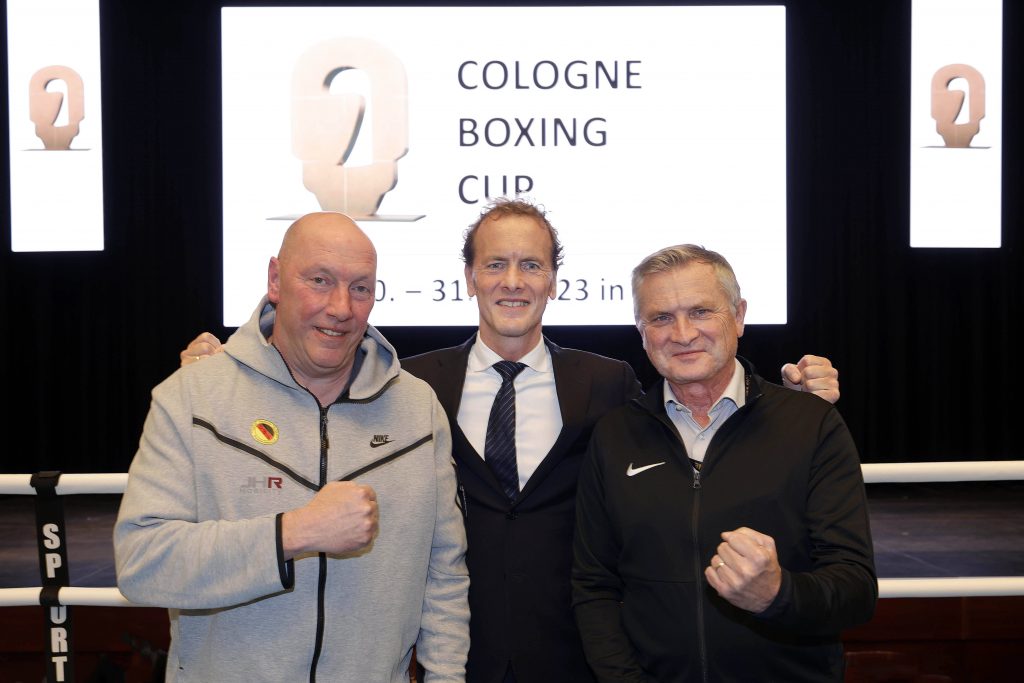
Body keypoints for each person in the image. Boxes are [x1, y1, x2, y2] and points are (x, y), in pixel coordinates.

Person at [179, 199, 841, 683]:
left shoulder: (609, 381)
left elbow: (695, 411)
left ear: (556, 278)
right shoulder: (411, 385)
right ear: (469, 274)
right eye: (495, 263)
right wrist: (229, 366)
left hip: (580, 658)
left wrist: (787, 391)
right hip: (454, 656)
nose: (513, 281)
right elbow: (311, 412)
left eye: (531, 264)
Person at [115, 212, 470, 682]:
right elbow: (142, 563)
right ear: (276, 280)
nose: (341, 307)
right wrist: (292, 533)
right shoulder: (193, 397)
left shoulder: (417, 408)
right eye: (320, 281)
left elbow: (444, 572)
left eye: (361, 288)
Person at [572, 244, 876, 682]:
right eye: (660, 318)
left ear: (738, 316)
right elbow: (593, 586)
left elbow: (856, 590)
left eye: (700, 311)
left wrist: (778, 593)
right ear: (640, 330)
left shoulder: (811, 424)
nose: (682, 333)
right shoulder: (614, 436)